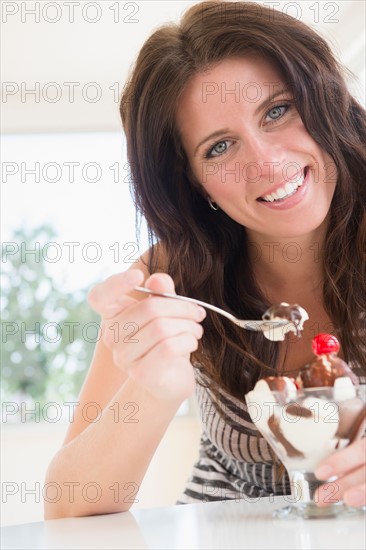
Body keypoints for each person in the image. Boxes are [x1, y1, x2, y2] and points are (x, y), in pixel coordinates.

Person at [44, 1, 366, 519]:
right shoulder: (166, 282)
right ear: (194, 183)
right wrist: (153, 389)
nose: (266, 162)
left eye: (277, 110)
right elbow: (67, 511)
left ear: (322, 98)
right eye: (219, 148)